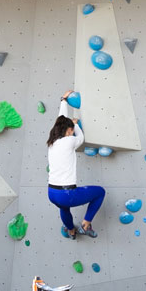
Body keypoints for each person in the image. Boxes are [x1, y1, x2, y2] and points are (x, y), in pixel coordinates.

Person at [45, 91, 103, 240]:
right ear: (68, 130)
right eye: (70, 130)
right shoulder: (69, 140)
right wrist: (76, 125)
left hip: (52, 193)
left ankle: (71, 231)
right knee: (100, 192)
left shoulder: (52, 142)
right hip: (66, 194)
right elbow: (81, 138)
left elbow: (60, 119)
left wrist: (64, 100)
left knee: (64, 208)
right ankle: (85, 225)